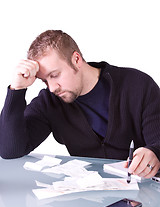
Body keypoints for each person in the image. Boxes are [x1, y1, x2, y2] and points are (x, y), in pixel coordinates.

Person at [0, 30, 159, 179]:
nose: (52, 87)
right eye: (44, 81)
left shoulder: (137, 85)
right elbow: (10, 150)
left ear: (76, 60)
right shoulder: (49, 102)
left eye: (55, 75)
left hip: (144, 196)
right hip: (88, 198)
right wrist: (17, 89)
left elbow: (158, 142)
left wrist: (154, 152)